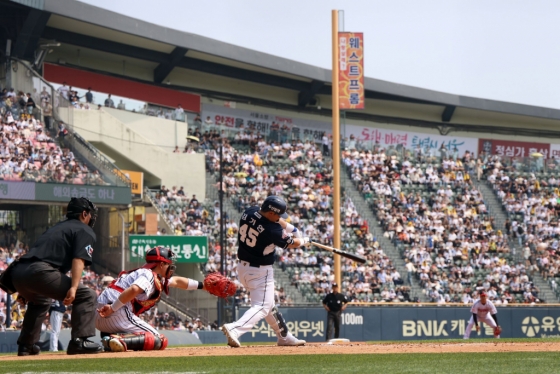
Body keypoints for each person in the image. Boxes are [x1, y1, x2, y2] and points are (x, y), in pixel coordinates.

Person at [9, 197, 103, 355]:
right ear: (84, 214)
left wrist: (25, 288)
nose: (91, 218)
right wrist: (73, 287)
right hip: (38, 272)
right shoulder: (84, 230)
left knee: (40, 300)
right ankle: (79, 342)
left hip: (18, 271)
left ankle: (26, 346)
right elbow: (78, 259)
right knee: (87, 295)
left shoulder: (57, 227)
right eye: (90, 214)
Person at [221, 196, 309, 347]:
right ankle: (235, 328)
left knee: (268, 304)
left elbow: (276, 221)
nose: (281, 218)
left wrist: (293, 229)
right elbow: (291, 243)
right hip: (260, 271)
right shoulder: (272, 230)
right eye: (278, 215)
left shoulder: (249, 212)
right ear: (271, 213)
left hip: (243, 268)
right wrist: (303, 241)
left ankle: (284, 337)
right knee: (262, 307)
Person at [96, 246, 209, 352]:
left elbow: (177, 281)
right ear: (161, 264)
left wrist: (203, 285)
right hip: (114, 311)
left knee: (148, 336)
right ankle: (118, 340)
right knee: (158, 339)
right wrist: (112, 308)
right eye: (168, 263)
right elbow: (134, 289)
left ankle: (109, 340)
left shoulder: (145, 273)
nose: (171, 266)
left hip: (99, 316)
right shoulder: (148, 275)